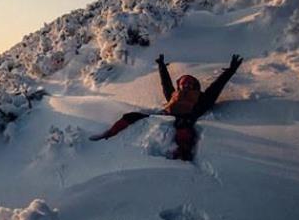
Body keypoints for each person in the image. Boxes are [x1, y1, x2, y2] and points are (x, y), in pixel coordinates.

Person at [89, 54, 243, 161]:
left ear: (196, 86)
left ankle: (183, 152)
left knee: (184, 127)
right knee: (131, 116)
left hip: (186, 118)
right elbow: (166, 84)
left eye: (190, 83)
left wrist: (230, 71)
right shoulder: (173, 95)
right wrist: (162, 67)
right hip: (164, 114)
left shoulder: (202, 97)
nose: (187, 85)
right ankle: (110, 132)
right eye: (184, 83)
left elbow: (216, 87)